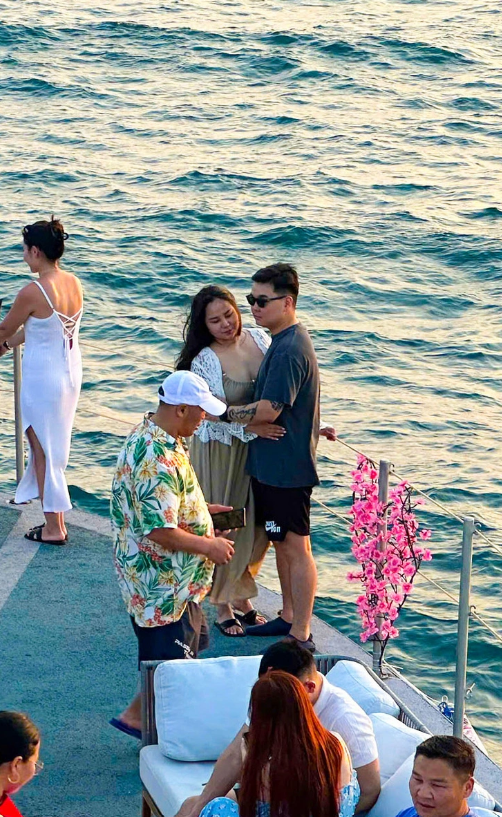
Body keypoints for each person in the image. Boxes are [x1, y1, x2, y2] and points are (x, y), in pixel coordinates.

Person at [108, 370, 236, 739]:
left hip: (170, 582)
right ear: (181, 409)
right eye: (200, 412)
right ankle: (149, 728)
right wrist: (210, 545)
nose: (204, 418)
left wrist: (203, 512)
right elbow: (160, 531)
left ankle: (140, 717)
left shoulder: (156, 436)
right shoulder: (157, 457)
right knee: (171, 668)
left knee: (171, 661)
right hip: (162, 584)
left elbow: (166, 506)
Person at [218, 263, 335, 652]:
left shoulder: (288, 350)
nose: (253, 307)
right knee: (282, 542)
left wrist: (222, 412)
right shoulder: (283, 341)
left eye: (262, 300)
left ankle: (300, 632)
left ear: (287, 302)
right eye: (251, 299)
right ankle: (287, 615)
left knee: (296, 547)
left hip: (287, 470)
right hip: (272, 466)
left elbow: (269, 409)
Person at [0, 218, 83, 545]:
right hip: (69, 373)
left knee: (42, 449)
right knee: (52, 448)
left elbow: (4, 327)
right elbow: (43, 328)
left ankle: (54, 527)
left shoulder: (33, 290)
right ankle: (54, 519)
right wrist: (5, 348)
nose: (24, 256)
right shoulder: (73, 283)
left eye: (25, 250)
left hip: (43, 377)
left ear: (36, 251)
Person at [176, 285, 284, 637]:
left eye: (228, 315)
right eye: (215, 320)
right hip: (223, 449)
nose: (225, 324)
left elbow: (280, 389)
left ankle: (239, 591)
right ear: (203, 326)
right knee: (228, 520)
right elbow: (210, 413)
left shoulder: (258, 339)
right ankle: (221, 601)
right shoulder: (205, 359)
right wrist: (255, 428)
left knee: (257, 527)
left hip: (261, 447)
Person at [176, 640, 381, 817]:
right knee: (191, 806)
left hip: (297, 800)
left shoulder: (346, 720)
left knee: (215, 809)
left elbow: (370, 790)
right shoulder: (334, 740)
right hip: (288, 796)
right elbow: (233, 757)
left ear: (306, 689)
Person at [196, 670, 359, 817]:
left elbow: (249, 808)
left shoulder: (266, 771)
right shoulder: (337, 745)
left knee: (218, 807)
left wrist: (248, 760)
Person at [397, 736, 496, 817]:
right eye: (418, 780)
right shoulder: (407, 814)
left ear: (467, 788)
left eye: (437, 785)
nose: (423, 794)